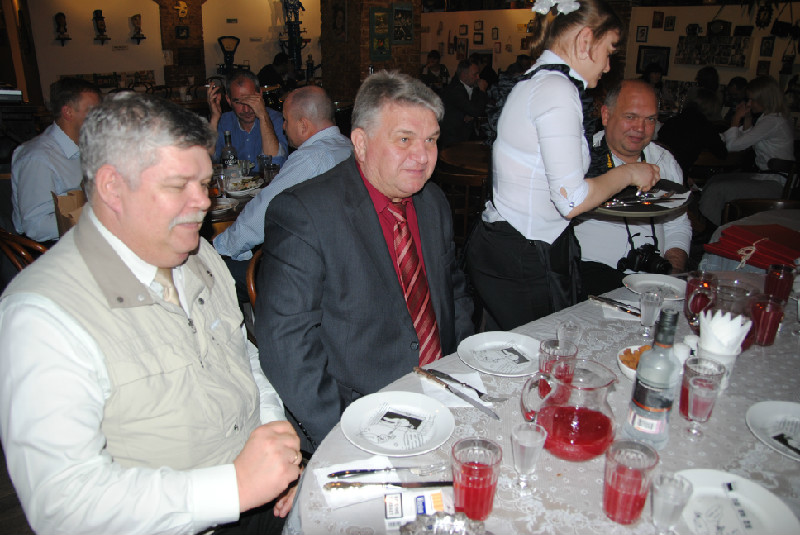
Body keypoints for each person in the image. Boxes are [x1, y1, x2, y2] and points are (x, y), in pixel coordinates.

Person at [0, 92, 302, 535]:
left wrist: (272, 435)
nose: (204, 201)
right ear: (112, 187)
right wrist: (233, 487)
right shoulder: (41, 315)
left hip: (259, 499)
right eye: (180, 185)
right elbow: (63, 506)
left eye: (205, 182)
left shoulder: (199, 255)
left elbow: (243, 355)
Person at [255, 71, 474, 452]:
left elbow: (454, 292)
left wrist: (461, 370)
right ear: (360, 142)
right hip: (359, 413)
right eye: (404, 139)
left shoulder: (433, 202)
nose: (423, 156)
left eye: (431, 140)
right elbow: (287, 349)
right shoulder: (305, 214)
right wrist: (347, 436)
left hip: (442, 393)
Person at [465, 0, 660, 331]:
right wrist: (629, 172)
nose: (608, 66)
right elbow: (571, 200)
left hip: (516, 245)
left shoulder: (539, 82)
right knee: (540, 348)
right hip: (523, 253)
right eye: (609, 51)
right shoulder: (556, 89)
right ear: (585, 40)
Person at [213, 86, 353, 285]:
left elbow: (264, 212)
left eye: (286, 120)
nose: (284, 127)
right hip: (345, 262)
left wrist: (217, 249)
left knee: (216, 273)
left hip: (315, 273)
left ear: (303, 125)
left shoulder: (311, 159)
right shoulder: (349, 147)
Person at [576, 80, 691, 296]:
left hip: (654, 277)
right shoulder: (579, 158)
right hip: (591, 278)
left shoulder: (664, 160)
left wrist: (672, 272)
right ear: (606, 115)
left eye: (650, 119)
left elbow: (678, 225)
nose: (640, 128)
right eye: (630, 117)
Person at [11, 77, 101, 242]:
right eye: (93, 111)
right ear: (68, 112)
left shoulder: (84, 147)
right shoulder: (38, 158)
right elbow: (36, 226)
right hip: (53, 247)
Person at [699, 76, 794, 226]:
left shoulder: (772, 121)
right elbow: (747, 138)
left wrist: (736, 119)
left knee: (717, 188)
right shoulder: (770, 118)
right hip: (767, 177)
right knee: (714, 180)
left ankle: (714, 228)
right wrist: (747, 119)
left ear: (765, 99)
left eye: (752, 100)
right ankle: (710, 225)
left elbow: (733, 146)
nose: (749, 103)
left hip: (776, 183)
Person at [208, 69, 288, 167]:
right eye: (239, 102)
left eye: (251, 100)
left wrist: (263, 116)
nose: (246, 109)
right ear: (228, 100)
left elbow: (275, 163)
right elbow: (208, 161)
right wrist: (214, 118)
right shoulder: (224, 121)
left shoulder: (277, 119)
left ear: (260, 95)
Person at [658, 87, 728, 180]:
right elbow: (722, 154)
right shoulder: (704, 126)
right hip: (679, 175)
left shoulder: (672, 121)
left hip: (660, 171)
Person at [439, 59, 488, 147]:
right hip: (453, 139)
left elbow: (484, 107)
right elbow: (476, 110)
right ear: (464, 75)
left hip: (466, 136)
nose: (478, 77)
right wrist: (482, 90)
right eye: (475, 74)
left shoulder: (472, 88)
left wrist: (472, 115)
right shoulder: (454, 90)